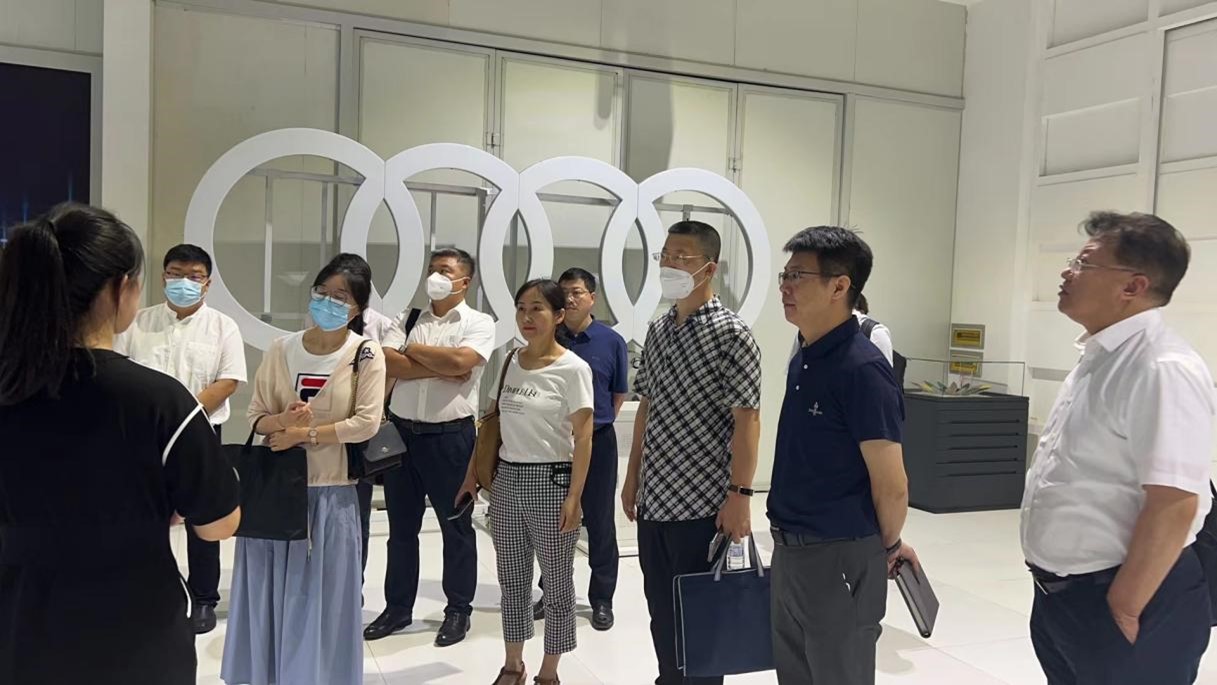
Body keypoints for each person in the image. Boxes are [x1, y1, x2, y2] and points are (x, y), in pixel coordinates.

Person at [0, 203, 241, 685]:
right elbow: (219, 523)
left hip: (21, 626)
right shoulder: (160, 401)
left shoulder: (9, 387)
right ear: (120, 288)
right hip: (133, 633)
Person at [1021, 211, 1215, 685]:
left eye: (1084, 264)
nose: (1067, 272)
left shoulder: (1161, 368)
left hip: (1127, 604)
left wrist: (1124, 607)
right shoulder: (1100, 356)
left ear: (1133, 286)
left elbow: (1175, 503)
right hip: (1064, 598)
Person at [222, 253, 386, 685]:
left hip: (330, 491)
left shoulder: (365, 353)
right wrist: (282, 422)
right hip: (276, 490)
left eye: (341, 297)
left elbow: (366, 423)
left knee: (322, 596)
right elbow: (256, 417)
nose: (328, 302)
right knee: (269, 590)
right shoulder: (282, 348)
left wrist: (305, 435)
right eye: (322, 292)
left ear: (358, 307)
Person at [768, 226, 919, 685]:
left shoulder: (862, 369)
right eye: (785, 275)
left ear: (839, 286)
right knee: (795, 673)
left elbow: (892, 485)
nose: (785, 286)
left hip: (838, 556)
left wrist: (883, 548)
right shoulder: (805, 355)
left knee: (839, 672)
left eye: (798, 276)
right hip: (789, 550)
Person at [622, 220, 762, 685]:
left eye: (681, 257)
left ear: (709, 267)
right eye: (665, 255)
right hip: (656, 501)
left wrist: (740, 495)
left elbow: (747, 420)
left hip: (703, 506)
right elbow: (646, 407)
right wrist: (632, 476)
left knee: (700, 621)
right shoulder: (660, 329)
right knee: (661, 613)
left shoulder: (732, 334)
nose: (670, 265)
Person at [456, 278, 595, 685]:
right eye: (521, 308)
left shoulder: (573, 368)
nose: (527, 317)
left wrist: (574, 497)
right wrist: (472, 475)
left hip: (552, 480)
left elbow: (584, 438)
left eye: (537, 309)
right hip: (506, 480)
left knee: (557, 583)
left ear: (559, 315)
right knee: (512, 580)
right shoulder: (510, 360)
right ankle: (513, 665)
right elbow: (491, 424)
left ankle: (549, 671)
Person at [114, 243, 247, 634]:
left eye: (194, 276)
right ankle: (144, 589)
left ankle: (204, 597)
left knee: (201, 517)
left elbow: (228, 381)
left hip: (200, 433)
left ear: (208, 283)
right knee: (144, 514)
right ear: (163, 276)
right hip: (142, 435)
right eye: (176, 274)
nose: (184, 282)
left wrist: (181, 417)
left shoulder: (223, 326)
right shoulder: (139, 321)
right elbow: (119, 369)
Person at [364, 248, 495, 646]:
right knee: (401, 528)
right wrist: (443, 366)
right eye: (433, 269)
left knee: (456, 528)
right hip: (402, 436)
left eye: (446, 270)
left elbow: (462, 362)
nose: (436, 276)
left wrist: (415, 352)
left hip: (450, 439)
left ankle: (458, 610)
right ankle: (397, 608)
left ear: (464, 281)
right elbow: (389, 363)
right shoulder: (409, 317)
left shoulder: (478, 322)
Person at [533, 268, 630, 630]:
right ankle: (551, 593)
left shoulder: (611, 341)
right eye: (564, 292)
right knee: (553, 522)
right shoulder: (548, 336)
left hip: (597, 441)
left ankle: (602, 599)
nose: (570, 299)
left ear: (592, 298)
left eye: (577, 292)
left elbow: (617, 395)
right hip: (553, 443)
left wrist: (590, 430)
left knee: (600, 522)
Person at [789, 292, 893, 367]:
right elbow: (885, 381)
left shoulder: (806, 331)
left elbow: (793, 373)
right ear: (862, 309)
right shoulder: (875, 331)